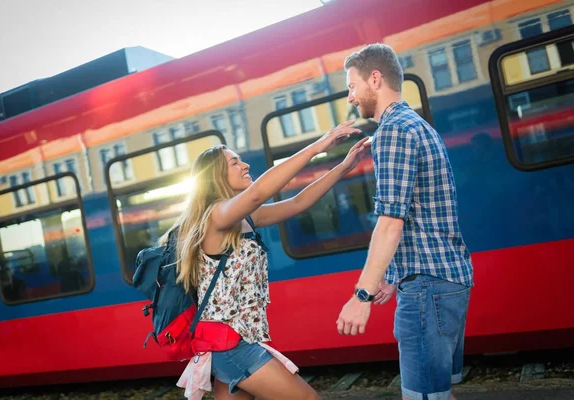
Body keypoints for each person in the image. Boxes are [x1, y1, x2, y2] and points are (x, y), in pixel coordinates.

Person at [167, 121, 369, 400]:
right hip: (232, 346)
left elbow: (298, 203)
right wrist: (318, 146)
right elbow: (258, 193)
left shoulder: (245, 219)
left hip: (236, 342)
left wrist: (343, 167)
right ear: (216, 176)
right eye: (235, 162)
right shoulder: (216, 216)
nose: (245, 165)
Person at [336, 43, 474, 400]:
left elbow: (390, 223)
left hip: (428, 291)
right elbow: (424, 216)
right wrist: (394, 277)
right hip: (446, 281)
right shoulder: (419, 125)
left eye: (352, 86)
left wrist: (361, 294)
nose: (350, 97)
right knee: (439, 394)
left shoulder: (393, 131)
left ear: (375, 79)